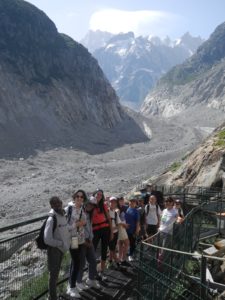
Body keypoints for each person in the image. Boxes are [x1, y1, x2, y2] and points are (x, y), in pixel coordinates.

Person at [44, 196, 71, 300]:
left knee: (55, 274)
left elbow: (64, 228)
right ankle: (53, 298)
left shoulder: (62, 214)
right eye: (55, 203)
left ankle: (52, 297)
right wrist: (60, 243)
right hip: (54, 250)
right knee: (53, 276)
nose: (58, 205)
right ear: (51, 205)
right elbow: (47, 239)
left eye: (59, 202)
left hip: (60, 249)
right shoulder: (51, 219)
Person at [65, 190, 87, 298]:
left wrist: (82, 223)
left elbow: (85, 221)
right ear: (74, 197)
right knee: (76, 262)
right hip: (73, 239)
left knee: (76, 262)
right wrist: (75, 224)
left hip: (81, 238)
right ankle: (72, 287)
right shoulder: (68, 209)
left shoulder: (82, 208)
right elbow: (65, 227)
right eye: (77, 196)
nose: (79, 198)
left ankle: (71, 285)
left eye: (81, 196)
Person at [91, 189, 113, 280]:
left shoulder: (103, 205)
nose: (99, 196)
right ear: (94, 195)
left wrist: (111, 232)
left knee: (104, 250)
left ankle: (102, 271)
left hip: (105, 229)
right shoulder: (90, 205)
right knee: (92, 251)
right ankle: (93, 272)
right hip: (95, 230)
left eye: (100, 194)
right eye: (97, 194)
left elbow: (108, 218)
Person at [83, 199, 101, 289]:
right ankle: (73, 285)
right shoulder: (81, 214)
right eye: (89, 204)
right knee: (79, 263)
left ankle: (91, 280)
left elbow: (89, 228)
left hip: (89, 241)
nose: (90, 206)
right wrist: (86, 240)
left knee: (93, 261)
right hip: (82, 241)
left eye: (92, 205)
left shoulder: (89, 214)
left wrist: (90, 238)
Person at [107, 196, 121, 269]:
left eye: (114, 202)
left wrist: (113, 228)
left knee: (112, 248)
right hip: (109, 233)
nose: (113, 203)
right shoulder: (106, 211)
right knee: (112, 249)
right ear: (109, 203)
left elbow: (118, 224)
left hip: (115, 233)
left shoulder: (115, 213)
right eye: (111, 202)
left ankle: (110, 261)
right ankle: (117, 262)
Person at [125, 195, 140, 261]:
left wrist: (137, 230)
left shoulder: (136, 211)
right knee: (127, 243)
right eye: (131, 201)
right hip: (126, 230)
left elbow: (137, 221)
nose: (132, 203)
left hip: (133, 230)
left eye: (133, 202)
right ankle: (128, 254)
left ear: (135, 203)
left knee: (132, 243)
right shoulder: (127, 209)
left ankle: (131, 255)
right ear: (129, 202)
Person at [117, 196, 130, 266]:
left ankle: (119, 259)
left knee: (120, 244)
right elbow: (117, 221)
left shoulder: (125, 207)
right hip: (121, 227)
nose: (121, 202)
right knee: (126, 243)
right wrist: (124, 225)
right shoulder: (117, 209)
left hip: (122, 227)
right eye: (120, 201)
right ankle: (123, 259)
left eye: (122, 200)